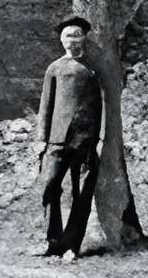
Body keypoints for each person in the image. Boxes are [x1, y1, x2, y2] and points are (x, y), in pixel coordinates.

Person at [30, 14, 103, 260]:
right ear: (61, 40)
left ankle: (72, 244)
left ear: (84, 39)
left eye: (77, 34)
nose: (72, 39)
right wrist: (41, 138)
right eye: (68, 35)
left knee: (81, 194)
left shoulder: (94, 69)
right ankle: (52, 240)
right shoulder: (54, 68)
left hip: (87, 141)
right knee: (49, 185)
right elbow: (45, 106)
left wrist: (100, 138)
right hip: (57, 140)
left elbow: (105, 104)